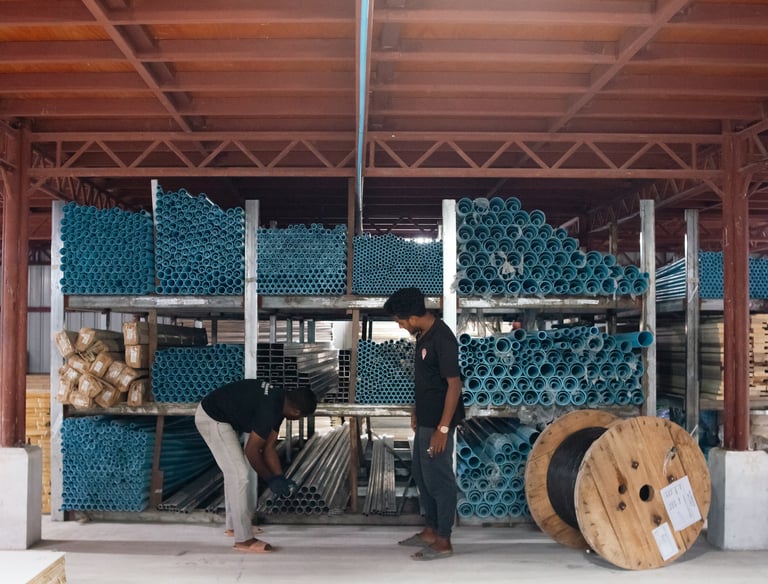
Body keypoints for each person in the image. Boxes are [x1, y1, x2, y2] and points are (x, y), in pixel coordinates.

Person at [384, 287, 464, 561]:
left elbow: (454, 385)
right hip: (427, 420)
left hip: (439, 424)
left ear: (413, 317)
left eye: (400, 320)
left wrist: (443, 428)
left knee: (439, 479)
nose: (400, 325)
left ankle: (444, 539)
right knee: (422, 473)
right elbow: (428, 382)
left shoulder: (443, 338)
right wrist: (417, 410)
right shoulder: (423, 337)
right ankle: (430, 529)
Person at [194, 379, 317, 553]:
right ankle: (244, 540)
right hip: (212, 418)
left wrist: (279, 477)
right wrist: (269, 479)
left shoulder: (280, 402)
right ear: (296, 411)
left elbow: (268, 447)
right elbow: (251, 450)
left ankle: (234, 527)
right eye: (301, 417)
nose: (298, 419)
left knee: (234, 475)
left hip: (220, 417)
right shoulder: (270, 409)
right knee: (240, 476)